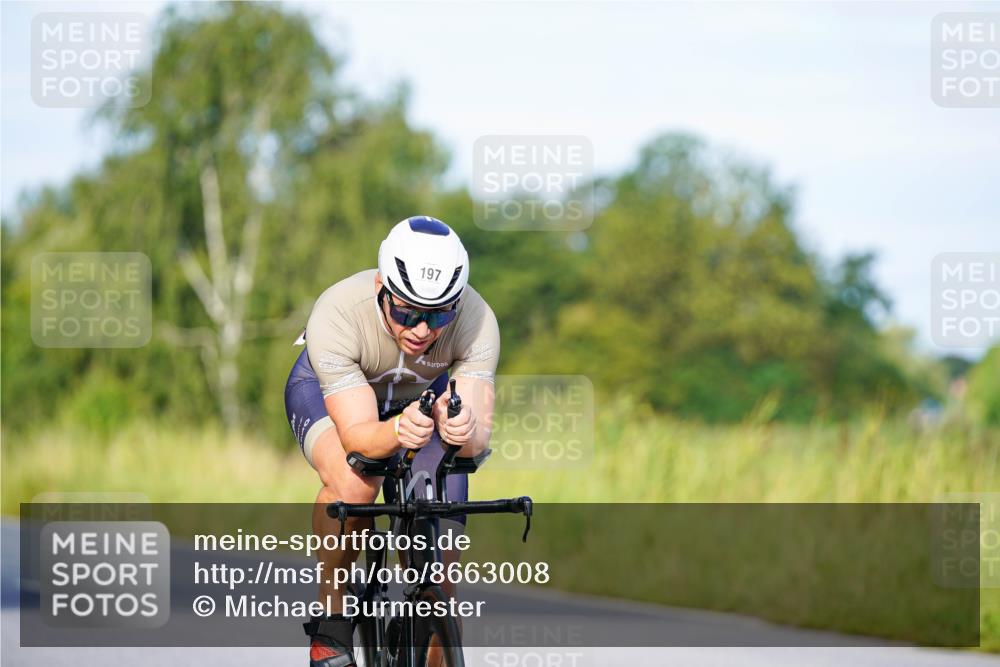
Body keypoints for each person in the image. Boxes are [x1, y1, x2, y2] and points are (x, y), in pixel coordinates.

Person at [284, 216, 500, 667]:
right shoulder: (338, 310)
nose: (422, 330)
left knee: (440, 568)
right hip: (335, 397)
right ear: (382, 287)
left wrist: (459, 429)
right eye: (407, 312)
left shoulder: (478, 321)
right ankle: (334, 615)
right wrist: (399, 431)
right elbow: (361, 437)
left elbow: (476, 440)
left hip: (422, 400)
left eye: (439, 314)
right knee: (355, 484)